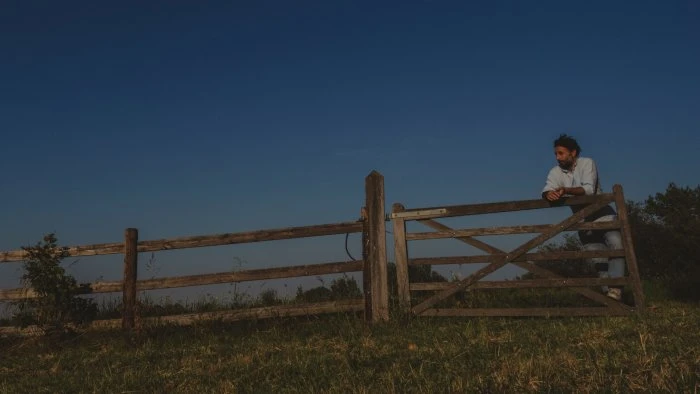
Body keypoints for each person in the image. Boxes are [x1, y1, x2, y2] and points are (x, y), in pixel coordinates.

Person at [541, 134, 625, 301]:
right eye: (556, 154)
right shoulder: (555, 171)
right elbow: (547, 189)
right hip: (582, 221)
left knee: (616, 246)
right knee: (597, 258)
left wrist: (565, 190)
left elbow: (587, 190)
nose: (557, 157)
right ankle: (609, 300)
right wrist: (548, 194)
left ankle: (616, 288)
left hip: (603, 215)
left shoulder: (587, 163)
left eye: (561, 153)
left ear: (573, 152)